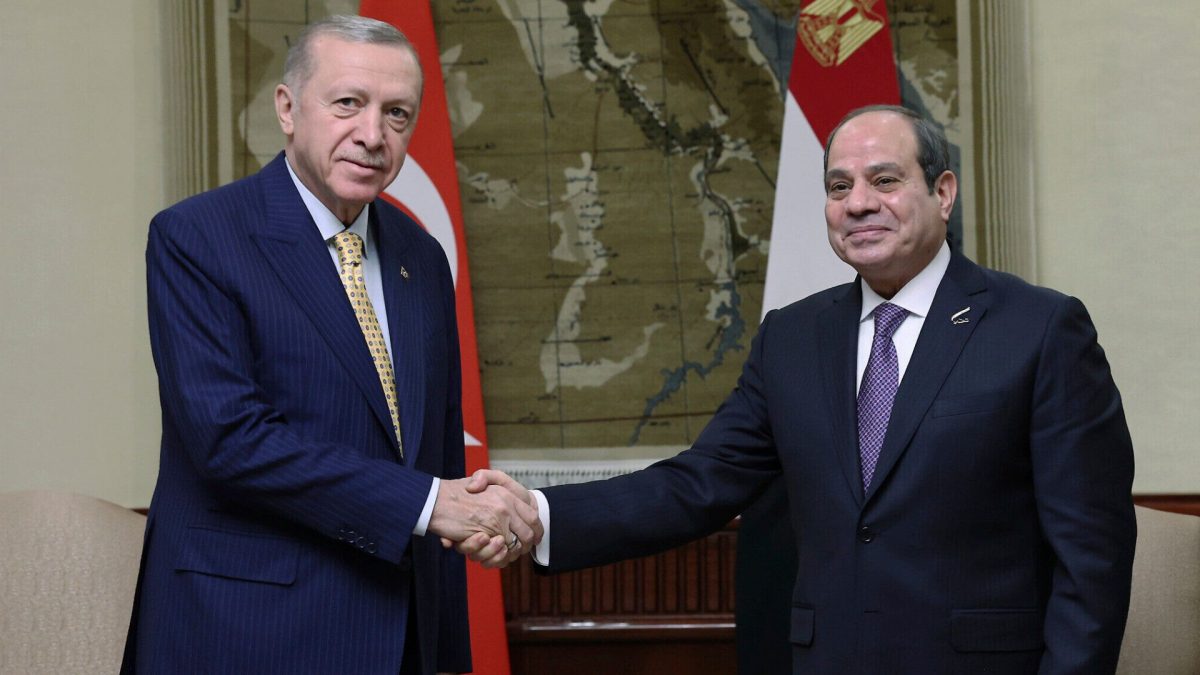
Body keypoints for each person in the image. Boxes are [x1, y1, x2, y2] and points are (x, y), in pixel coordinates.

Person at [465, 106, 1137, 674]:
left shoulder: (1040, 329)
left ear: (944, 192)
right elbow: (697, 483)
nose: (859, 203)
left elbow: (1093, 555)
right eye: (839, 186)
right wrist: (540, 515)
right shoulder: (792, 338)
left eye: (884, 180)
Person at [121, 16, 539, 675]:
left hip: (397, 635)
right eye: (348, 103)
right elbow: (229, 440)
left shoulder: (419, 257)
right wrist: (433, 505)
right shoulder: (198, 237)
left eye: (397, 113)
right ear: (287, 109)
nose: (373, 135)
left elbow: (432, 447)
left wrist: (446, 641)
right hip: (244, 634)